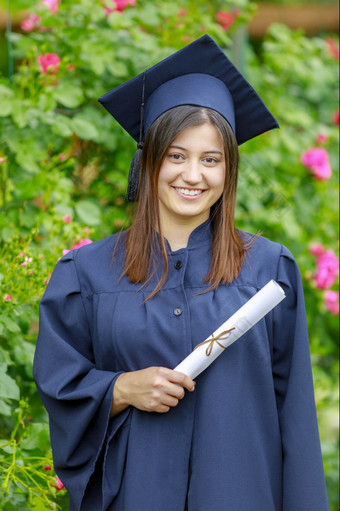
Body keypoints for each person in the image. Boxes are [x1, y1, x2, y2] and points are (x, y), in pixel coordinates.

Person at [33, 35, 330, 511]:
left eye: (211, 159)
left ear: (227, 170)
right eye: (176, 155)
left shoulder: (270, 270)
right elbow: (59, 384)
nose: (193, 174)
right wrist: (120, 388)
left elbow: (293, 417)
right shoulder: (85, 275)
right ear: (148, 160)